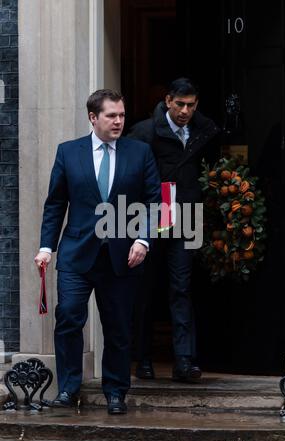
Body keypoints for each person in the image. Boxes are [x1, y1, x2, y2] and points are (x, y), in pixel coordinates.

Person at [34, 89, 161, 414]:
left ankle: (116, 392)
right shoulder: (69, 152)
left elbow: (153, 202)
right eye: (111, 116)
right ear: (93, 117)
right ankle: (68, 388)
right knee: (69, 318)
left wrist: (143, 240)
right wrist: (46, 247)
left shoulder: (140, 152)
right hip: (77, 254)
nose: (119, 121)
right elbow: (55, 204)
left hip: (123, 256)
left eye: (121, 115)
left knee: (118, 326)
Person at [128, 77, 220, 382]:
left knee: (182, 287)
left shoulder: (202, 130)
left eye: (191, 105)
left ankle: (184, 360)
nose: (184, 111)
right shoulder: (144, 131)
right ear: (167, 101)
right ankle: (143, 358)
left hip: (188, 216)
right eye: (179, 104)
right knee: (147, 289)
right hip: (154, 215)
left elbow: (214, 156)